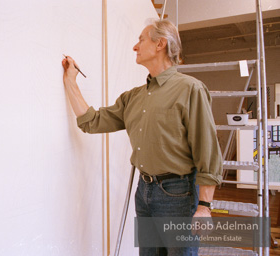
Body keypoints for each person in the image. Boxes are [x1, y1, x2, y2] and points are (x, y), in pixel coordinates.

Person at [62, 19, 223, 256]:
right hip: (144, 191)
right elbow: (92, 121)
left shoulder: (191, 89)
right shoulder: (134, 97)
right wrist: (70, 82)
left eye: (141, 40)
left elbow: (207, 150)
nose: (135, 47)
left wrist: (205, 207)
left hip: (178, 194)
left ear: (160, 44)